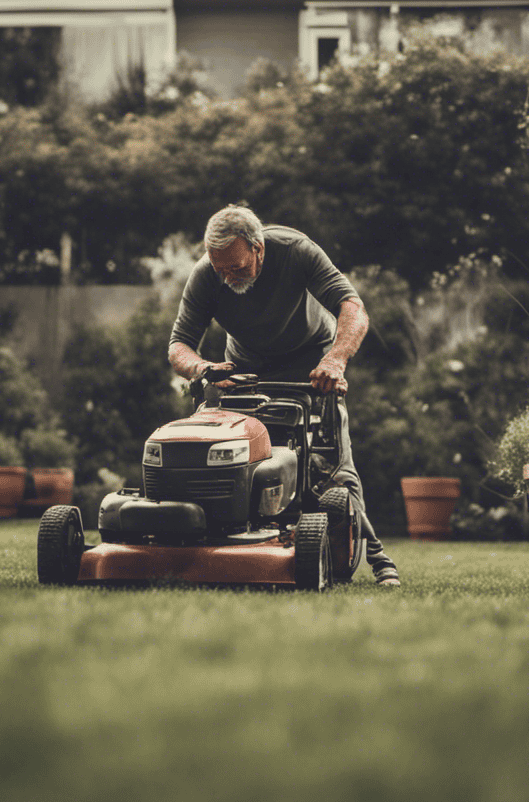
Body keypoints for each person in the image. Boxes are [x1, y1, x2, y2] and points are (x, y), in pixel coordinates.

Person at [168, 203, 400, 587]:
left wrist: (336, 360)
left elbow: (352, 307)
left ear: (259, 249)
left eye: (237, 268)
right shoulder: (207, 275)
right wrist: (202, 369)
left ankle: (377, 559)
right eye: (220, 269)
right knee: (237, 458)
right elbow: (179, 344)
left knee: (334, 464)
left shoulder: (295, 250)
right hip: (244, 373)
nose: (227, 278)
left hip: (312, 367)